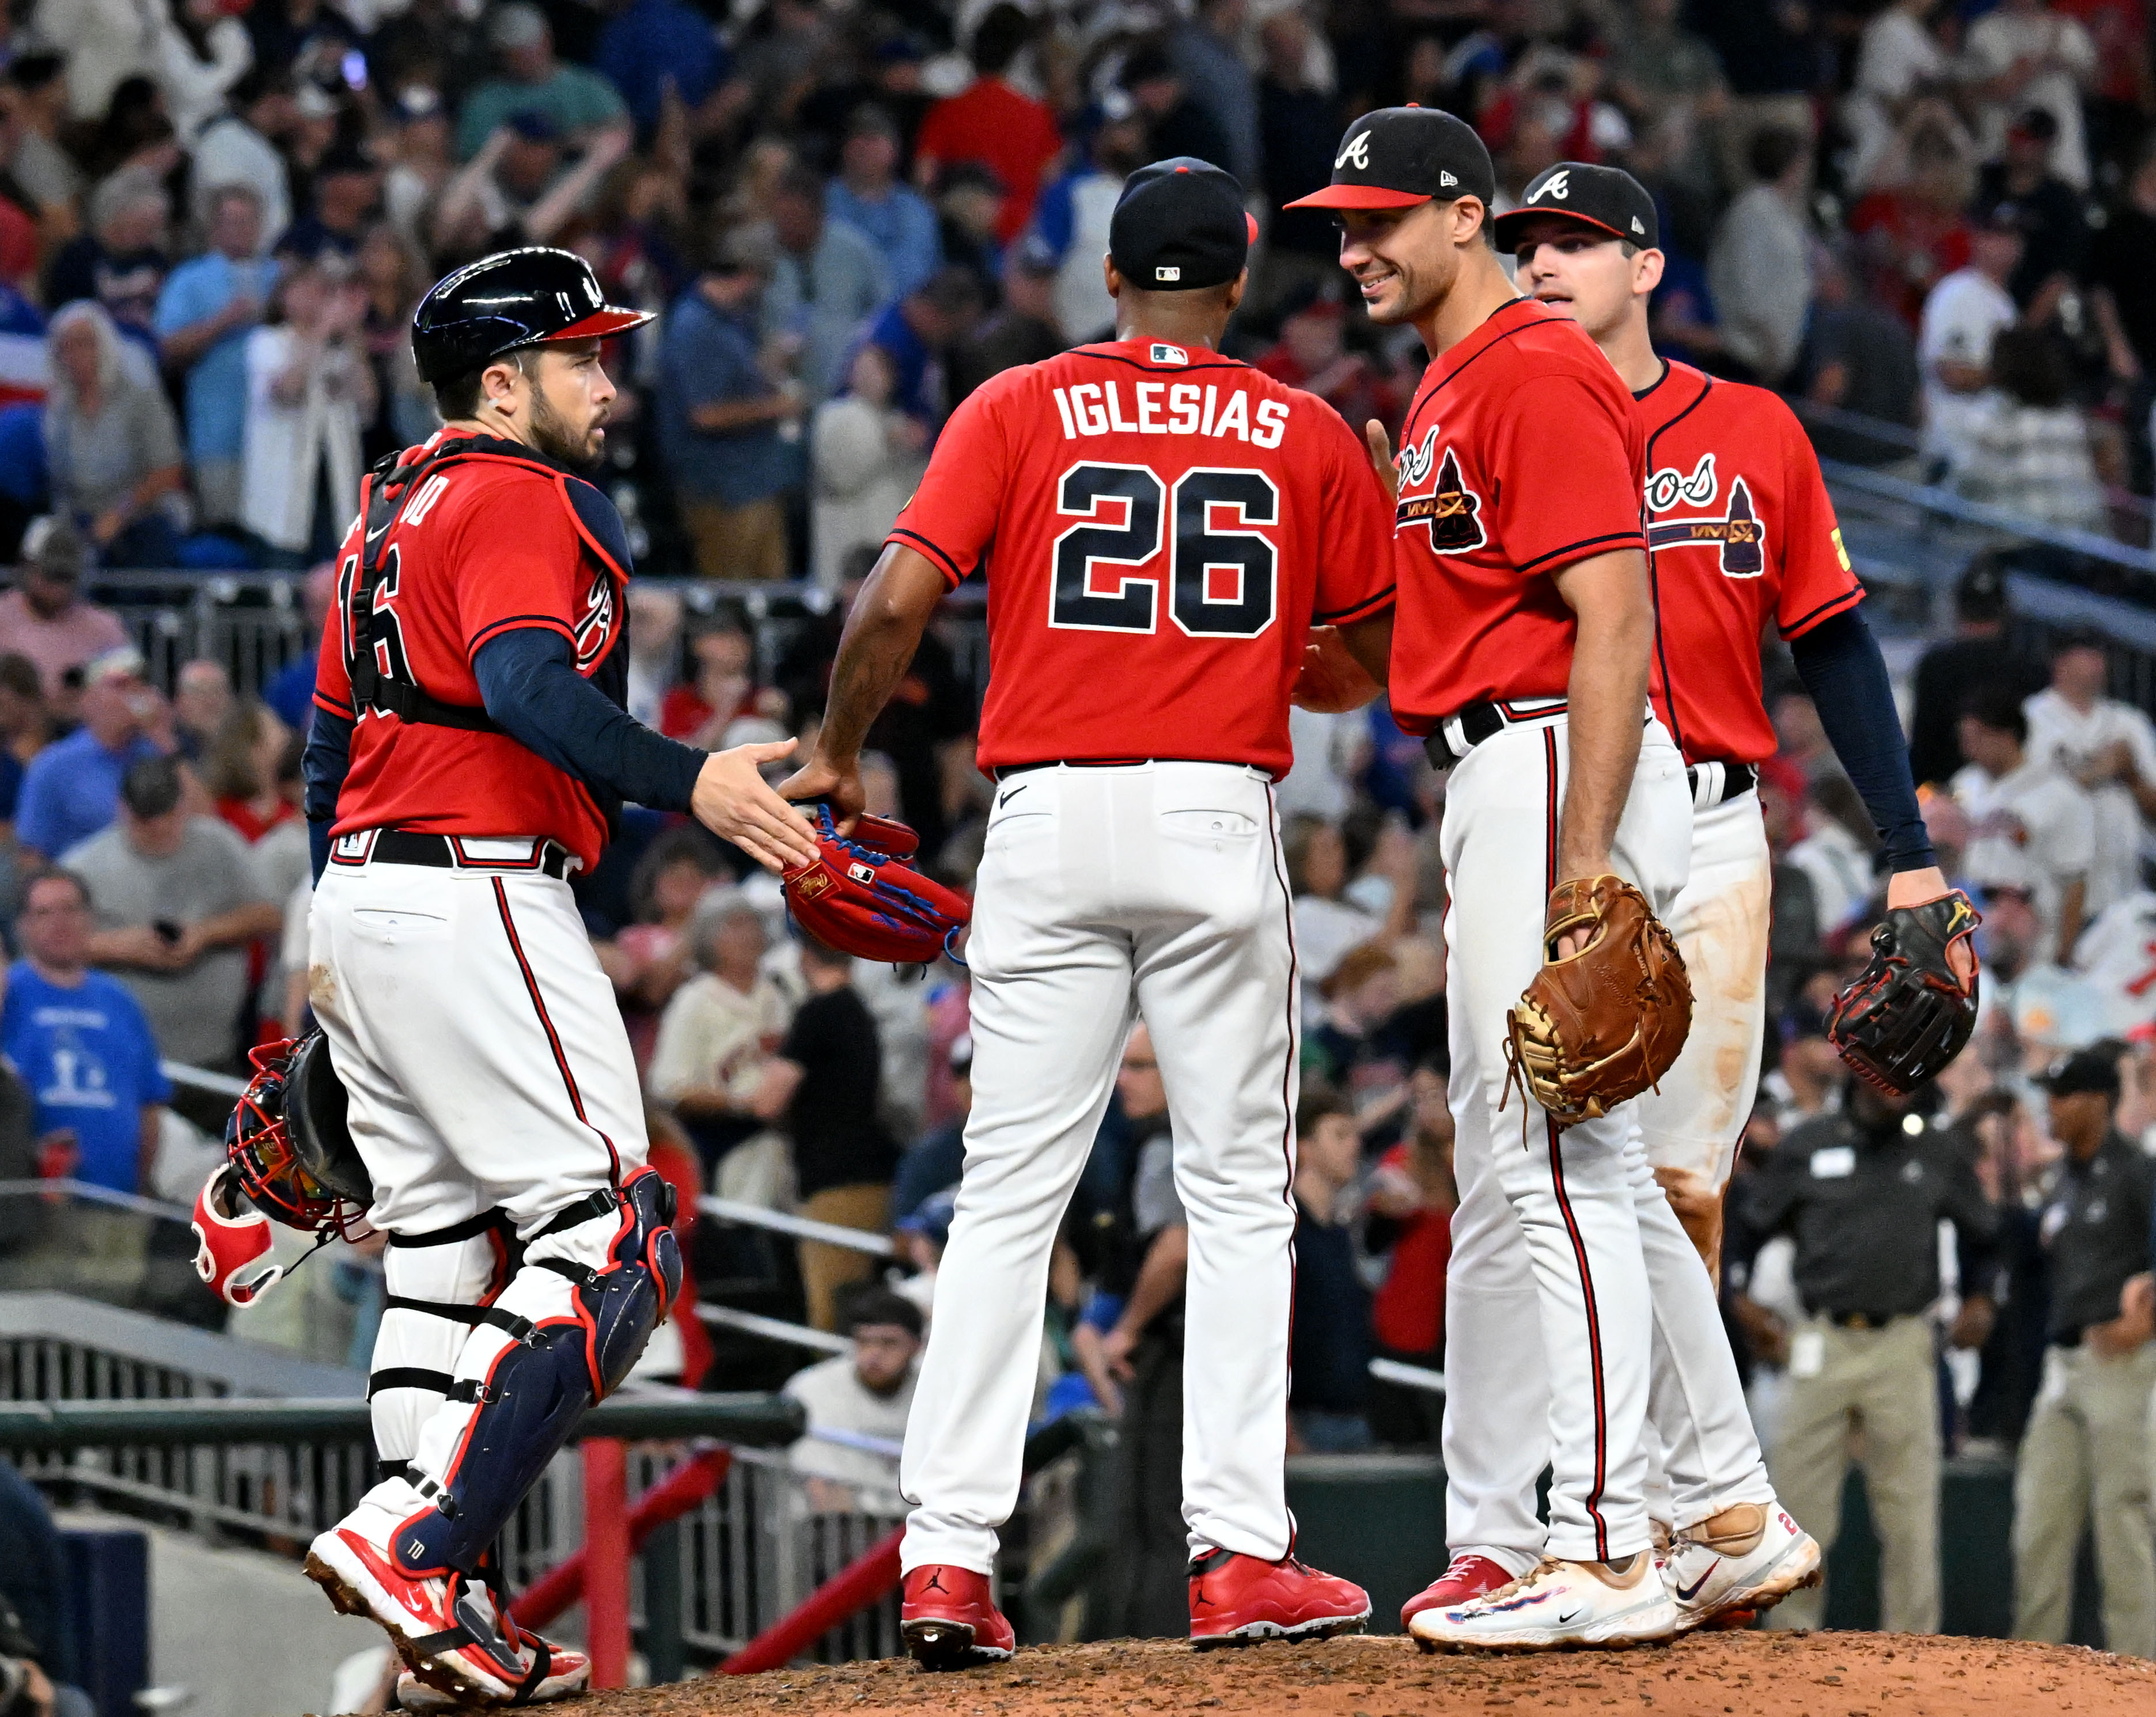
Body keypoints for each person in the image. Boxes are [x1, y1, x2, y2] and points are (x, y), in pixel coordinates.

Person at [779, 157, 1388, 1665]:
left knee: (1002, 1196)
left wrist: (842, 747)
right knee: (1239, 1190)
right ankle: (1240, 1550)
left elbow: (895, 601)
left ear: (1106, 278)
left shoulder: (1016, 401)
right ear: (1235, 283)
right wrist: (1275, 657)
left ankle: (940, 1556)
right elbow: (1372, 653)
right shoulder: (1302, 428)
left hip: (1042, 814)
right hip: (1205, 811)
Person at [1292, 110, 1797, 1652]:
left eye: (1383, 219)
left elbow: (1614, 612)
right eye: (1339, 223)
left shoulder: (1526, 363)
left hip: (1544, 761)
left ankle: (1598, 1546)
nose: (1353, 246)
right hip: (1495, 758)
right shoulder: (1453, 383)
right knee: (1594, 1169)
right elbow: (1403, 651)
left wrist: (1581, 858)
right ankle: (1722, 1507)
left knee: (1545, 1165)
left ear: (1468, 217)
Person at [297, 245, 819, 1704]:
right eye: (581, 357)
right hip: (477, 885)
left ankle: (424, 1617)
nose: (606, 379)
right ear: (504, 378)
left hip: (364, 892)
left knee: (443, 1252)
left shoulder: (389, 510)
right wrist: (687, 781)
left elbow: (328, 749)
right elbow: (530, 687)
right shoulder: (520, 494)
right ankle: (421, 1538)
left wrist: (330, 959)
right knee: (615, 1232)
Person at [1487, 154, 1965, 1606]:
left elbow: (1829, 638)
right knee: (1551, 1180)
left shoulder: (1747, 429)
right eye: (1525, 245)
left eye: (1575, 241)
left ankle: (1669, 1517)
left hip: (1703, 825)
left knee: (1678, 1178)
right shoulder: (1498, 419)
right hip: (1550, 818)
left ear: (1646, 267)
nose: (1542, 264)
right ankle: (1611, 1508)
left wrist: (1904, 850)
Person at [1731, 1077, 2000, 1635]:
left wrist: (1981, 1296)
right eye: (1884, 1065)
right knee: (1799, 1512)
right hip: (1818, 1338)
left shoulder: (1932, 1146)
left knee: (1909, 1515)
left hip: (1901, 1341)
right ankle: (1785, 1657)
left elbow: (1987, 1236)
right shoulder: (1806, 1143)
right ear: (1854, 1068)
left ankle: (1913, 1660)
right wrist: (1740, 1298)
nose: (1898, 1082)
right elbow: (1745, 1226)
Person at [2011, 1045, 2156, 1655]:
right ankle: (2033, 1674)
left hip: (2118, 1365)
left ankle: (2138, 1671)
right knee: (2038, 1525)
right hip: (2061, 1363)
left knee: (2122, 1524)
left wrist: (2144, 1323)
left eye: (2062, 1094)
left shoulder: (2135, 1171)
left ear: (2097, 1100)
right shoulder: (2062, 1176)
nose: (2050, 1106)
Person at [63, 755, 280, 1091]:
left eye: (166, 817)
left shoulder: (218, 844)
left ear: (182, 806)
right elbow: (43, 945)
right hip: (125, 1056)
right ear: (122, 809)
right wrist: (119, 946)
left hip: (216, 1050)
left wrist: (203, 934)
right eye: (145, 821)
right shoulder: (84, 866)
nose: (159, 830)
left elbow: (268, 914)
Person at [748, 937, 892, 1332]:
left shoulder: (819, 1011)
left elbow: (767, 1101)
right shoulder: (857, 1009)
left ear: (804, 957)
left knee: (832, 1312)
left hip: (836, 1180)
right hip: (866, 1172)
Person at [0, 866, 169, 1195]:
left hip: (120, 1197)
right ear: (24, 926)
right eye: (45, 913)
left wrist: (140, 1186)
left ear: (90, 918)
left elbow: (149, 1102)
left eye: (70, 909)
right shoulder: (9, 993)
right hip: (34, 1200)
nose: (60, 922)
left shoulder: (120, 1000)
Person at [655, 234, 801, 582]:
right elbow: (704, 414)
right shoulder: (693, 326)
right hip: (721, 492)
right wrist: (776, 408)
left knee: (771, 588)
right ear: (749, 276)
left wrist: (772, 365)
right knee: (734, 592)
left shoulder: (728, 319)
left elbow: (736, 377)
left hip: (753, 483)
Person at [151, 183, 275, 528]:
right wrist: (221, 323)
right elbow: (167, 348)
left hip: (277, 436)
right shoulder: (189, 280)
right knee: (225, 529)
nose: (242, 230)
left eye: (249, 221)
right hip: (217, 436)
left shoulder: (279, 276)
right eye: (233, 222)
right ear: (215, 227)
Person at [1954, 679, 2096, 968]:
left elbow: (2075, 882)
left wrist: (2063, 953)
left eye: (1976, 737)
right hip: (1968, 936)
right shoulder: (1963, 786)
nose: (1968, 748)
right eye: (1964, 738)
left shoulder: (2059, 794)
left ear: (2006, 736)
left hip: (2033, 944)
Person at [2022, 627, 2156, 918]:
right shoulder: (2031, 719)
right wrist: (2094, 771)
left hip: (2121, 895)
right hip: (2048, 895)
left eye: (2101, 654)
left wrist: (2131, 773)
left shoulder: (2130, 723)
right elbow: (2025, 801)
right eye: (2088, 653)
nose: (2099, 662)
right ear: (2061, 662)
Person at [41, 301, 184, 568]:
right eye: (65, 347)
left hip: (141, 517)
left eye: (83, 344)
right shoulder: (58, 412)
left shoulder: (141, 399)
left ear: (104, 346)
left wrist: (118, 515)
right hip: (80, 521)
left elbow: (168, 471)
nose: (73, 355)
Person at [912, 6, 1060, 245]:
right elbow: (1053, 183)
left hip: (955, 238)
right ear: (1018, 55)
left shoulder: (947, 110)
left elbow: (924, 177)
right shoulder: (1039, 116)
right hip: (1016, 239)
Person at [1907, 555, 2047, 788]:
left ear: (1959, 611)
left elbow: (1923, 749)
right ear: (2004, 612)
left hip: (1944, 797)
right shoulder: (2030, 668)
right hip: (2014, 793)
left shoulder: (1936, 665)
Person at [16, 646, 164, 862]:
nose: (134, 694)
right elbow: (31, 853)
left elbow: (203, 823)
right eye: (120, 686)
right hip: (81, 886)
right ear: (88, 699)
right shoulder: (54, 764)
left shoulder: (159, 754)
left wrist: (163, 738)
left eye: (140, 685)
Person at [782, 1287, 922, 1515]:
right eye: (864, 1342)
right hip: (833, 1529)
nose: (874, 1354)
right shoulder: (812, 1389)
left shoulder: (938, 1392)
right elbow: (826, 1495)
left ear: (917, 1346)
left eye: (889, 1343)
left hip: (917, 1531)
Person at [1287, 1086, 1373, 1453]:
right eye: (1339, 1135)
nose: (1354, 1146)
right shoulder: (1288, 1233)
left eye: (1354, 1134)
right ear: (1303, 1146)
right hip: (1304, 1424)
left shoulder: (1338, 1235)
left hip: (1353, 1418)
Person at [1919, 203, 2024, 480]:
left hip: (1985, 454)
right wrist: (2015, 377)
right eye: (1996, 234)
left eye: (2013, 236)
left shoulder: (2005, 303)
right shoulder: (1959, 291)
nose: (2006, 245)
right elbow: (1951, 373)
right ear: (1976, 238)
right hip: (1952, 451)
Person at [0, 518, 127, 699]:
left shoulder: (104, 626)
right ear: (28, 567)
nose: (56, 589)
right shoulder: (3, 615)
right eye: (50, 575)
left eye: (65, 577)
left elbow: (127, 687)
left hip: (82, 723)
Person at [827, 105, 940, 301]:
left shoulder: (915, 208)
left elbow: (928, 269)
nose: (865, 147)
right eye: (858, 138)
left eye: (874, 139)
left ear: (894, 150)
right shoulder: (824, 201)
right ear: (845, 148)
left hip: (907, 318)